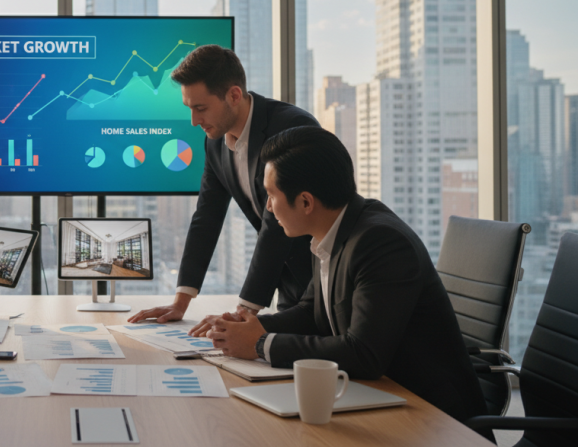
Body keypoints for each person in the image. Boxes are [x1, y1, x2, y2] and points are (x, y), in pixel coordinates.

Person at [191, 126, 487, 423]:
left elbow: (364, 353)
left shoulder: (381, 242)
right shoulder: (332, 229)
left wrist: (260, 344)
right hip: (378, 398)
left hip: (432, 418)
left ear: (306, 202)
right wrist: (247, 328)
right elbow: (313, 312)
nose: (268, 207)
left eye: (271, 195)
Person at [129, 45, 318, 325]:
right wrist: (180, 303)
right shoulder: (215, 142)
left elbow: (276, 226)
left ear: (234, 95)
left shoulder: (291, 128)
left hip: (325, 280)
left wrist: (244, 312)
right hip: (288, 287)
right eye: (189, 109)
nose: (194, 121)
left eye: (201, 108)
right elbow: (207, 216)